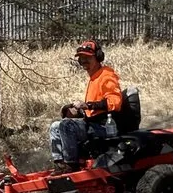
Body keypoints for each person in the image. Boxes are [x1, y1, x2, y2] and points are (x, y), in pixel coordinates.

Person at [49, 39, 123, 172]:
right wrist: (78, 112)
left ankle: (71, 165)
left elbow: (114, 103)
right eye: (81, 58)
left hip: (105, 126)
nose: (83, 61)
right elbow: (93, 110)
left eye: (87, 57)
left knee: (66, 125)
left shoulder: (106, 75)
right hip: (93, 124)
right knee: (56, 126)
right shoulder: (94, 77)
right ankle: (60, 164)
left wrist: (87, 105)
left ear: (98, 57)